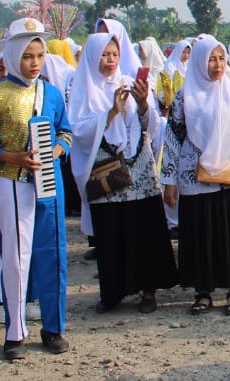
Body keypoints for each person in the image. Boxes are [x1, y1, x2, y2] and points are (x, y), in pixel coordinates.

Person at [0, 18, 72, 360]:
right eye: (27, 56)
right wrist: (9, 156)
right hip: (11, 182)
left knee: (53, 253)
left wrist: (57, 150)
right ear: (13, 56)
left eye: (39, 55)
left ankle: (53, 328)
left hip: (49, 182)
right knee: (14, 257)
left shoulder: (51, 93)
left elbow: (65, 132)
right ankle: (15, 331)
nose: (34, 63)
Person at [69, 34, 177, 314]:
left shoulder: (129, 83)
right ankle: (113, 292)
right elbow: (78, 131)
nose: (110, 60)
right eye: (104, 55)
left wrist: (142, 104)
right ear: (93, 57)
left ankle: (149, 291)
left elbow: (151, 127)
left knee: (145, 229)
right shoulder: (85, 89)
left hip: (139, 169)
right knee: (112, 231)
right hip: (106, 171)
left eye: (114, 54)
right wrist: (110, 113)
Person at [162, 37, 230, 315]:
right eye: (211, 59)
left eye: (220, 59)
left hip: (229, 174)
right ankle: (203, 291)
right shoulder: (185, 96)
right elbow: (172, 139)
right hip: (194, 177)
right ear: (199, 62)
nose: (217, 65)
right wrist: (169, 181)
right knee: (201, 234)